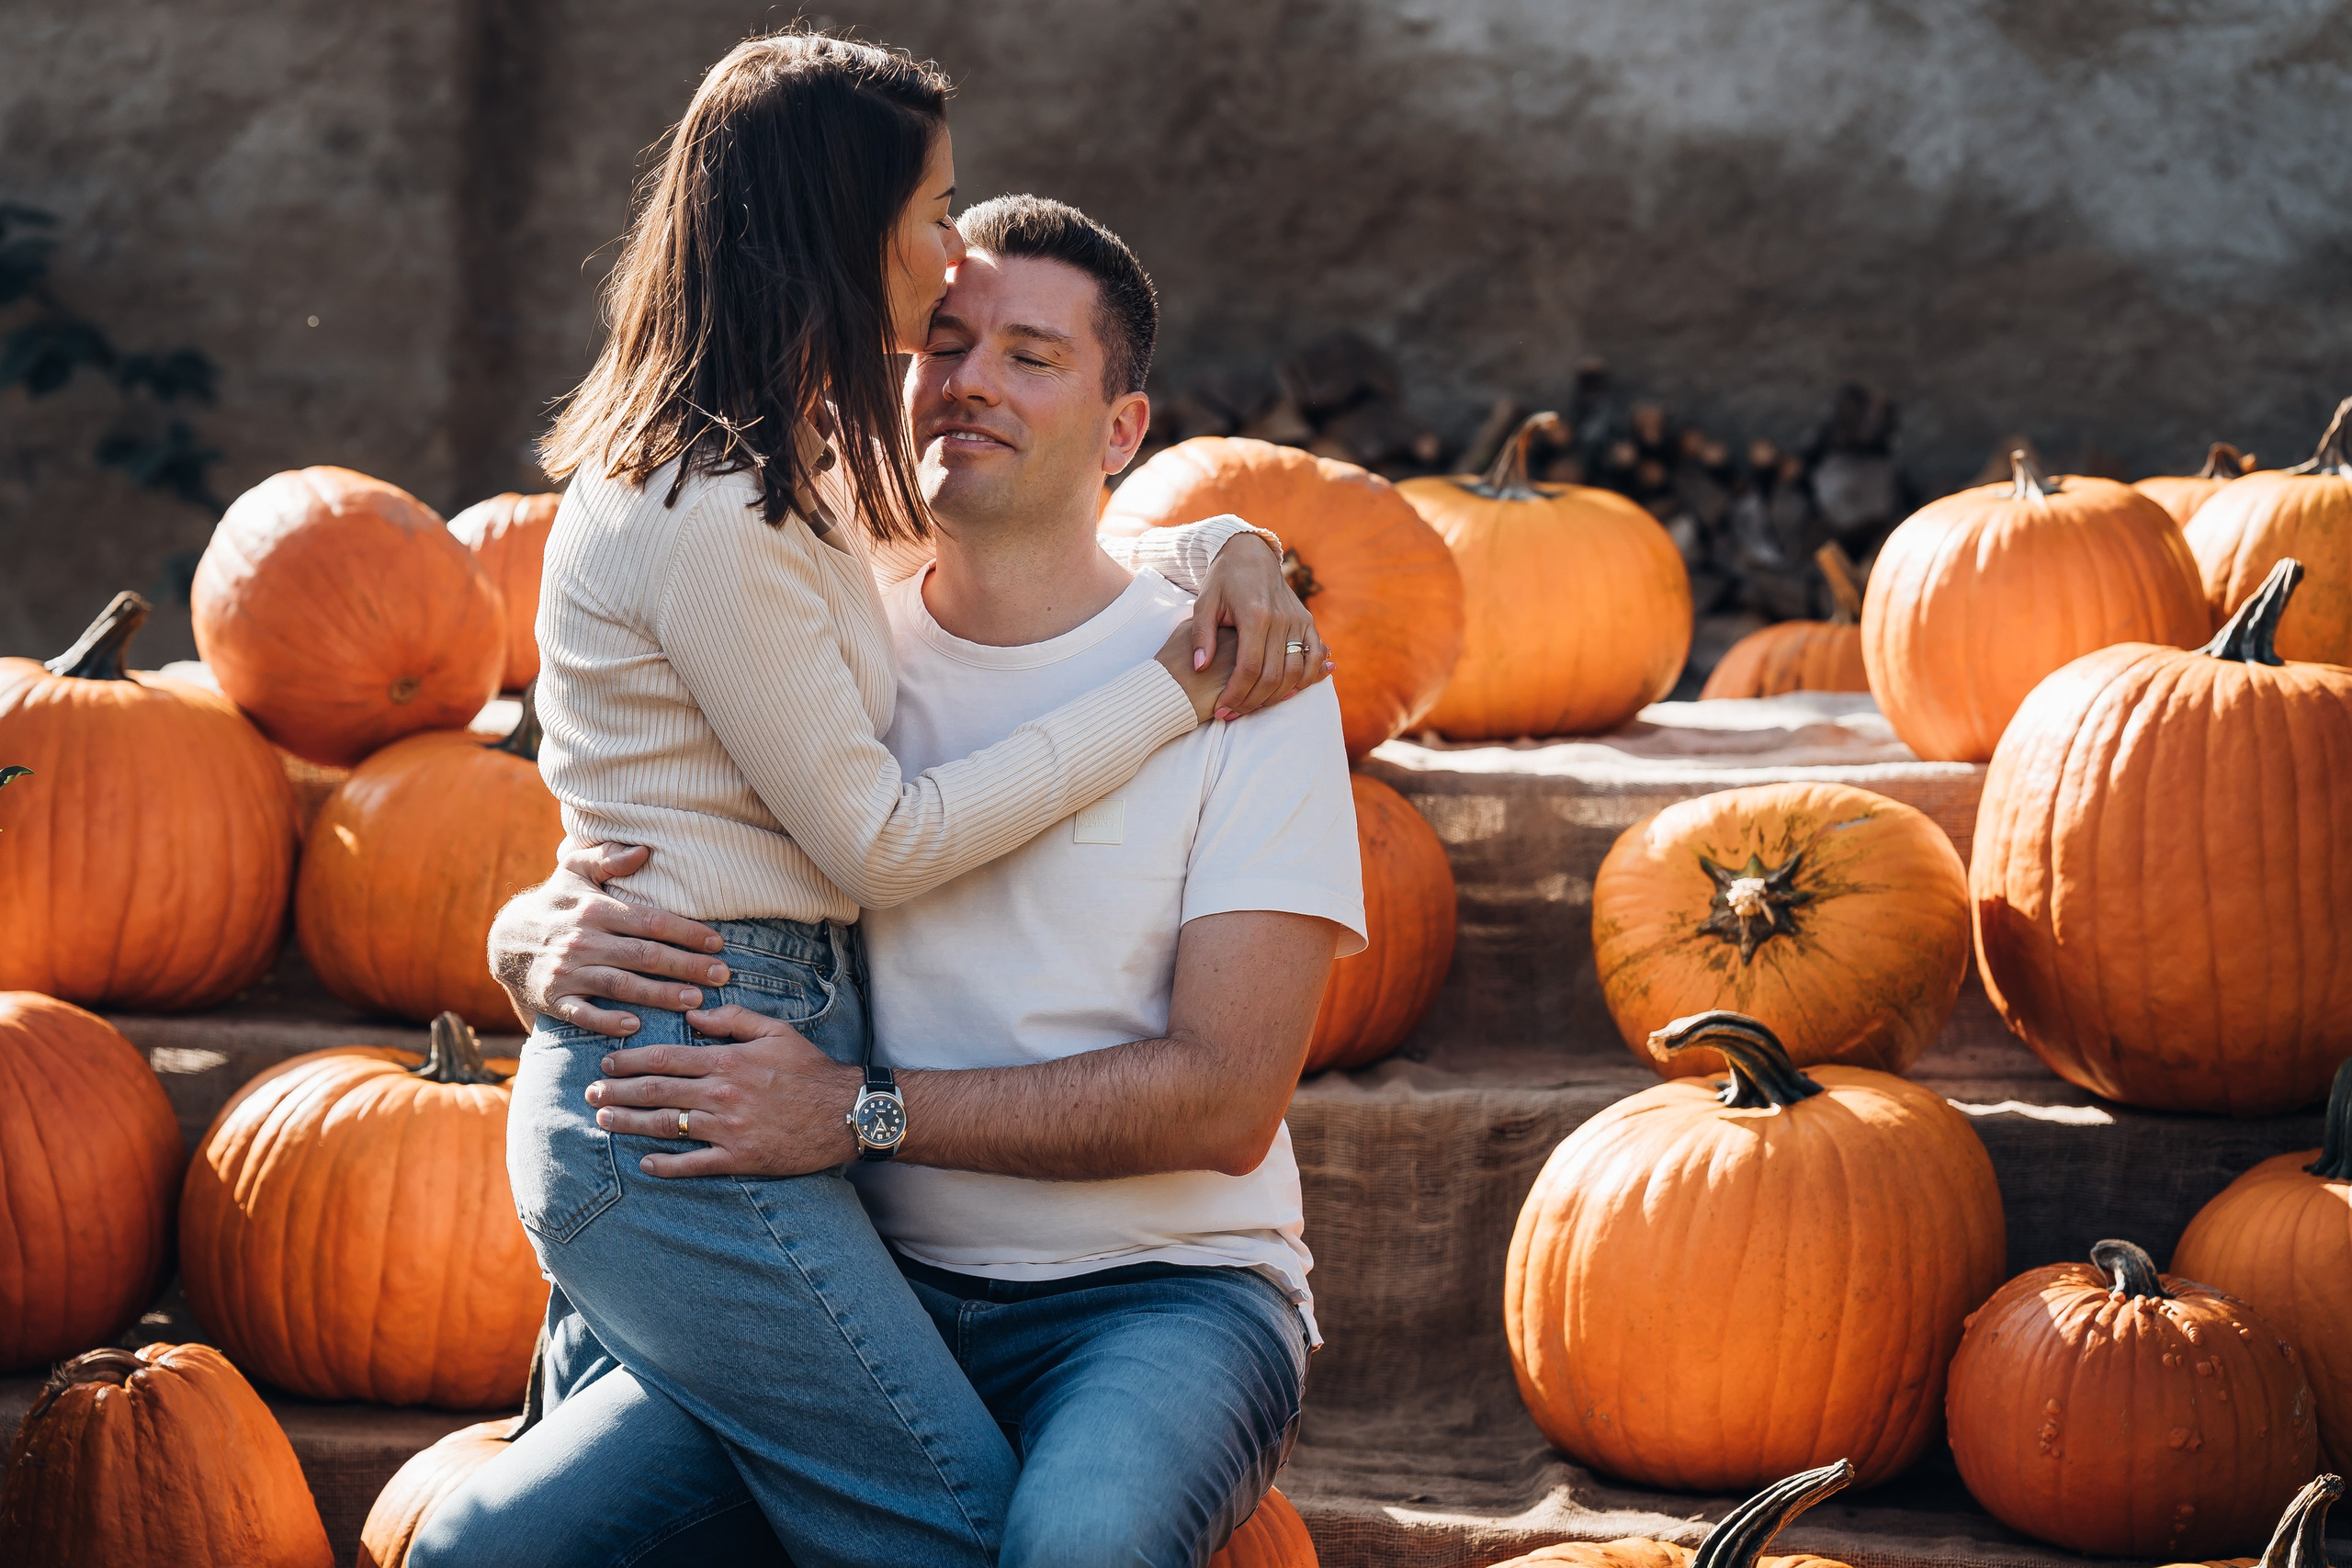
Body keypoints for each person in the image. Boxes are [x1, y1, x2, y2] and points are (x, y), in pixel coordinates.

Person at [413, 31, 1329, 1568]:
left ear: (1125, 433)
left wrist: (1226, 548)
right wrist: (533, 929)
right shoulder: (826, 564)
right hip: (807, 1184)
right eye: (946, 330)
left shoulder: (1247, 673)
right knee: (488, 1551)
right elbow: (725, 809)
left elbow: (1231, 1099)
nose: (965, 355)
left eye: (1032, 357)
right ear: (855, 270)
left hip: (1146, 1283)